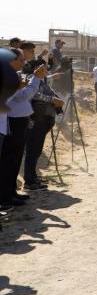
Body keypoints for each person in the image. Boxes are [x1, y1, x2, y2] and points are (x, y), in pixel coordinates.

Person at [0, 50, 46, 210]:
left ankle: (11, 192)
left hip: (18, 121)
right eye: (21, 59)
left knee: (15, 160)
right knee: (9, 161)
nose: (24, 62)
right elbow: (23, 95)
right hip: (13, 121)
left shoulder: (16, 74)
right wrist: (36, 79)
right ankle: (5, 197)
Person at [22, 60, 64, 191]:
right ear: (37, 68)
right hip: (35, 121)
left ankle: (33, 177)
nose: (46, 70)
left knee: (36, 151)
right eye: (44, 68)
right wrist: (52, 99)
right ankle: (29, 181)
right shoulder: (30, 78)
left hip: (42, 121)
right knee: (32, 150)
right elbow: (33, 95)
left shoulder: (41, 80)